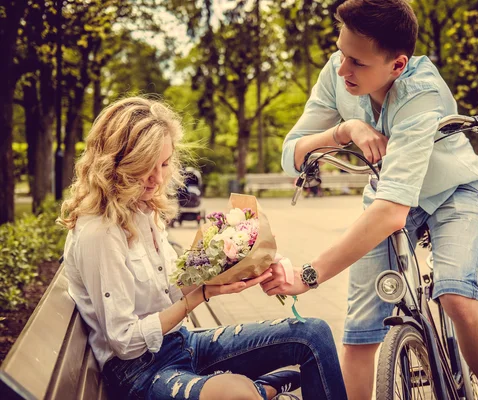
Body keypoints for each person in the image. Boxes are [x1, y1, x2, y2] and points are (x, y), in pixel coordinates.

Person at [260, 1, 478, 399]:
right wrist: (345, 130)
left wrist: (309, 276)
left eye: (357, 63)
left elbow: (392, 213)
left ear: (397, 65)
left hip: (453, 192)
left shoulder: (420, 94)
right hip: (387, 194)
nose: (343, 70)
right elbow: (292, 154)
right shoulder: (336, 71)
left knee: (456, 294)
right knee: (360, 330)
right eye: (341, 54)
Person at [58, 97, 347, 400]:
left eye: (165, 163)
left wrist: (232, 264)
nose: (157, 179)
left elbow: (171, 287)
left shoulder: (142, 209)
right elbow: (125, 342)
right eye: (146, 167)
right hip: (140, 372)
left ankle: (263, 388)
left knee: (312, 334)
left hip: (180, 342)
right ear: (116, 164)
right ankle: (263, 389)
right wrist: (202, 295)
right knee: (237, 394)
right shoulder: (100, 232)